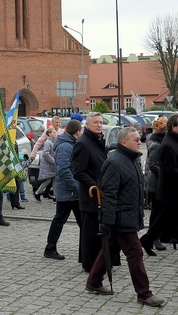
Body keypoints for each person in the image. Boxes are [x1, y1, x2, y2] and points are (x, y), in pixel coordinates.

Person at [85, 128, 165, 308]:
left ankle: (94, 281)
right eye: (136, 139)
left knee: (111, 248)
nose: (140, 142)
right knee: (135, 252)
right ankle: (144, 293)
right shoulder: (113, 162)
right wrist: (107, 221)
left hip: (129, 214)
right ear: (124, 142)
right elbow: (108, 194)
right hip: (121, 217)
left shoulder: (133, 159)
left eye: (140, 139)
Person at [72, 111, 107, 273]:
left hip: (101, 194)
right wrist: (94, 185)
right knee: (90, 231)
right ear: (88, 124)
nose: (99, 125)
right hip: (91, 194)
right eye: (96, 122)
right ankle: (89, 263)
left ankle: (99, 261)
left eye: (101, 122)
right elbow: (78, 171)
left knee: (97, 230)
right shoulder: (83, 143)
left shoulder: (98, 140)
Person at [44, 119, 82, 260]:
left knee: (82, 222)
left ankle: (86, 250)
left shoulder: (70, 143)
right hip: (68, 191)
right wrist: (75, 187)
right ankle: (50, 249)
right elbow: (63, 170)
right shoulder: (66, 146)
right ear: (77, 132)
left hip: (71, 191)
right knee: (60, 220)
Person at [141, 113, 178, 255]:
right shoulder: (168, 144)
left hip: (172, 189)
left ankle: (148, 239)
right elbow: (169, 171)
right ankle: (147, 239)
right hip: (170, 190)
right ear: (174, 127)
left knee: (164, 217)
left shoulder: (172, 141)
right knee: (163, 217)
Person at [139, 117, 168, 255]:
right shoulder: (156, 143)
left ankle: (158, 236)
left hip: (158, 182)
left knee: (160, 211)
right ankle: (153, 238)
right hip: (155, 183)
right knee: (156, 211)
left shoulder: (162, 141)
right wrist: (164, 177)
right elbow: (154, 165)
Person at [34, 126, 56, 202]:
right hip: (49, 165)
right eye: (53, 132)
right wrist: (54, 161)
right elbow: (45, 154)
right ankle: (38, 192)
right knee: (48, 180)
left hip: (52, 165)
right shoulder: (48, 142)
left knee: (53, 180)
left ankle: (56, 196)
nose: (55, 134)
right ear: (49, 134)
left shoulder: (53, 141)